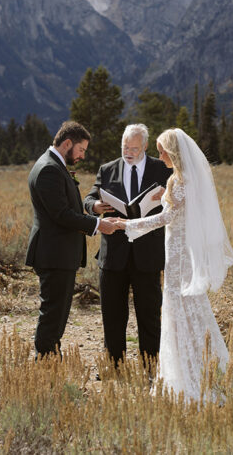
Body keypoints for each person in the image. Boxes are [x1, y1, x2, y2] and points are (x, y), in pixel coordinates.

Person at [111, 128, 233, 402]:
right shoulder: (188, 180)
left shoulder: (178, 181)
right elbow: (184, 210)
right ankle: (200, 369)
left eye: (161, 151)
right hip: (182, 254)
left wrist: (126, 224)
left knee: (179, 313)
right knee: (190, 311)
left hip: (178, 257)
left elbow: (164, 220)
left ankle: (187, 377)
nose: (159, 156)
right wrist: (163, 198)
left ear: (172, 152)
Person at [26, 121, 119, 357]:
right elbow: (61, 214)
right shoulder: (49, 169)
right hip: (54, 254)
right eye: (81, 150)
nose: (82, 156)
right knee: (53, 313)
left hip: (57, 253)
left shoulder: (53, 165)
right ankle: (45, 364)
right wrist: (98, 224)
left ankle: (49, 362)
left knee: (57, 312)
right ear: (67, 143)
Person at [84, 124, 172, 368]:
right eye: (125, 147)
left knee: (150, 316)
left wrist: (167, 195)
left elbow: (177, 204)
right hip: (113, 255)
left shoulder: (161, 168)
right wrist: (94, 207)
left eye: (134, 148)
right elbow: (89, 198)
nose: (129, 152)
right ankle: (114, 367)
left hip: (148, 254)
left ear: (145, 146)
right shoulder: (108, 169)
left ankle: (151, 366)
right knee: (112, 315)